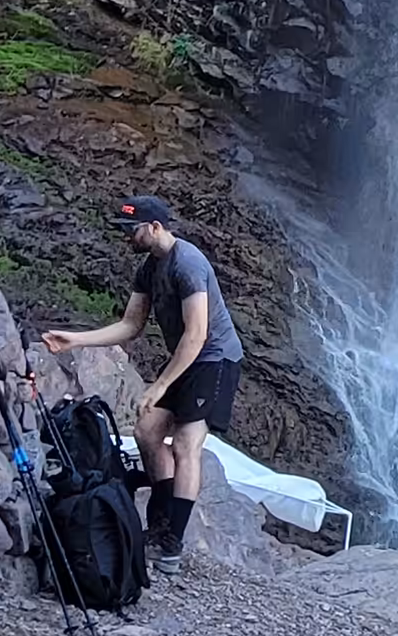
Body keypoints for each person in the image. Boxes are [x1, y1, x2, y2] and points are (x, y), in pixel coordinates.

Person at [39, 197, 244, 569]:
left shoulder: (189, 264)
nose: (125, 237)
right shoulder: (149, 269)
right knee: (148, 432)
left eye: (130, 229)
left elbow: (197, 335)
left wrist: (159, 386)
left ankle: (172, 542)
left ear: (154, 227)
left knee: (185, 444)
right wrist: (75, 339)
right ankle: (160, 522)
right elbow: (131, 325)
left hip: (215, 359)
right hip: (188, 356)